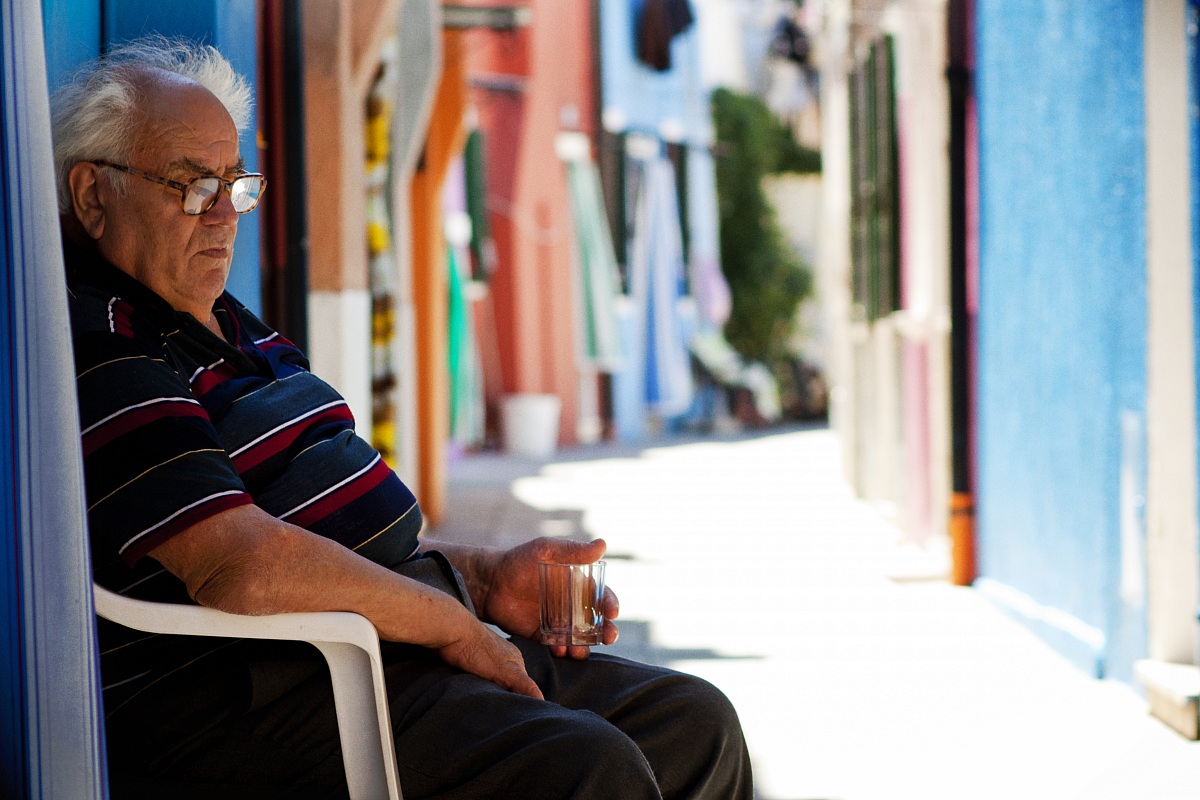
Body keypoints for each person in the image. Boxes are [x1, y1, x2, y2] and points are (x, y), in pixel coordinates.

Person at [53, 36, 752, 799]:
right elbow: (242, 564)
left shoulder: (228, 320)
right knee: (588, 766)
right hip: (257, 688)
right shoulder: (108, 341)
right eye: (191, 186)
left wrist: (481, 578)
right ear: (93, 195)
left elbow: (329, 535)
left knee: (693, 721)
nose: (224, 216)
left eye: (235, 185)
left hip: (373, 643)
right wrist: (450, 621)